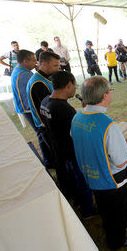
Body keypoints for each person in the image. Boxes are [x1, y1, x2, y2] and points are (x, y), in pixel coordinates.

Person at [71, 76, 127, 249]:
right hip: (112, 180)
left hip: (91, 175)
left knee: (105, 210)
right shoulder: (109, 125)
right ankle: (117, 241)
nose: (111, 93)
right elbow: (120, 160)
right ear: (103, 96)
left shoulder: (77, 116)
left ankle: (112, 235)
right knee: (120, 214)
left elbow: (78, 139)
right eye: (110, 90)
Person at [40, 71, 96, 218]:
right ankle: (88, 210)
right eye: (74, 86)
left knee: (72, 178)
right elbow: (80, 129)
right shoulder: (63, 108)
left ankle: (77, 200)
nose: (75, 89)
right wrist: (84, 111)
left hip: (57, 149)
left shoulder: (45, 101)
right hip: (71, 151)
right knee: (82, 180)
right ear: (68, 85)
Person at [11, 50, 47, 162]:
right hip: (29, 109)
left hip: (26, 108)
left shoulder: (20, 70)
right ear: (25, 61)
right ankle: (48, 160)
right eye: (33, 60)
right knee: (42, 132)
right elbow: (29, 96)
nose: (36, 62)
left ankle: (49, 159)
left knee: (41, 132)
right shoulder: (24, 74)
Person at [26, 51, 61, 168]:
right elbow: (47, 108)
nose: (58, 68)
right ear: (44, 65)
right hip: (46, 125)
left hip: (47, 125)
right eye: (55, 65)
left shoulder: (44, 78)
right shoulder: (38, 83)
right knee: (57, 156)